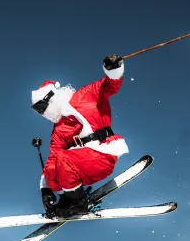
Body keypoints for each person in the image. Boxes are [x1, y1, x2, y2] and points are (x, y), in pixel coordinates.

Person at [31, 54, 129, 217]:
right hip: (80, 166)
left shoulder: (86, 94)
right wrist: (45, 189)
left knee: (63, 158)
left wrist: (113, 68)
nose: (42, 113)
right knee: (51, 169)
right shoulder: (59, 129)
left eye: (41, 107)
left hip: (102, 154)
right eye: (37, 110)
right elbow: (52, 158)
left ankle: (77, 203)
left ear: (51, 97)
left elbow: (109, 85)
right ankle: (68, 200)